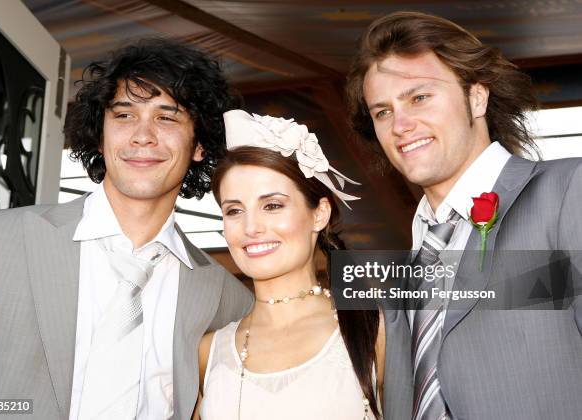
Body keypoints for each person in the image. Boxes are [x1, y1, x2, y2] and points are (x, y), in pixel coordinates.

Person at [0, 39, 253, 420]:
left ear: (199, 144)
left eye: (166, 117)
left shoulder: (229, 301)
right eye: (124, 115)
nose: (142, 135)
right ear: (100, 135)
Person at [347, 11, 582, 420]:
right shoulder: (416, 252)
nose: (401, 124)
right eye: (382, 112)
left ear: (476, 96)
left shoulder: (568, 191)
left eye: (420, 97)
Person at [193, 110, 384, 420]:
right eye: (234, 211)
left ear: (319, 213)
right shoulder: (208, 352)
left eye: (272, 205)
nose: (251, 227)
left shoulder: (374, 333)